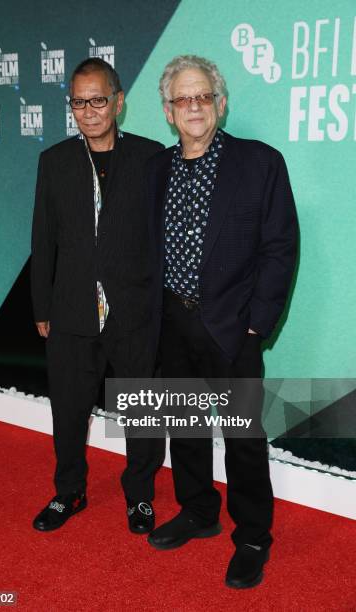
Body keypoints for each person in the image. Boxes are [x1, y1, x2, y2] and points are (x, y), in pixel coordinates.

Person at [146, 55, 298, 589]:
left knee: (242, 439)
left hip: (234, 328)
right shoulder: (156, 168)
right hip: (173, 324)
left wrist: (258, 323)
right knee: (185, 430)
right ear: (168, 111)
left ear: (220, 103)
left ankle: (253, 536)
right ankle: (199, 512)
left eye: (202, 96)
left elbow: (280, 247)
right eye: (182, 99)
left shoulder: (260, 163)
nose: (193, 106)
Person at [30, 58, 165, 533]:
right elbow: (43, 239)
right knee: (68, 410)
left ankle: (141, 496)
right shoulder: (54, 161)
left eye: (98, 100)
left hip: (134, 312)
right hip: (70, 311)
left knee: (142, 409)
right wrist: (42, 307)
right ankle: (69, 492)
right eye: (78, 102)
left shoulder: (152, 159)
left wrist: (159, 307)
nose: (88, 111)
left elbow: (162, 239)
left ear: (119, 101)